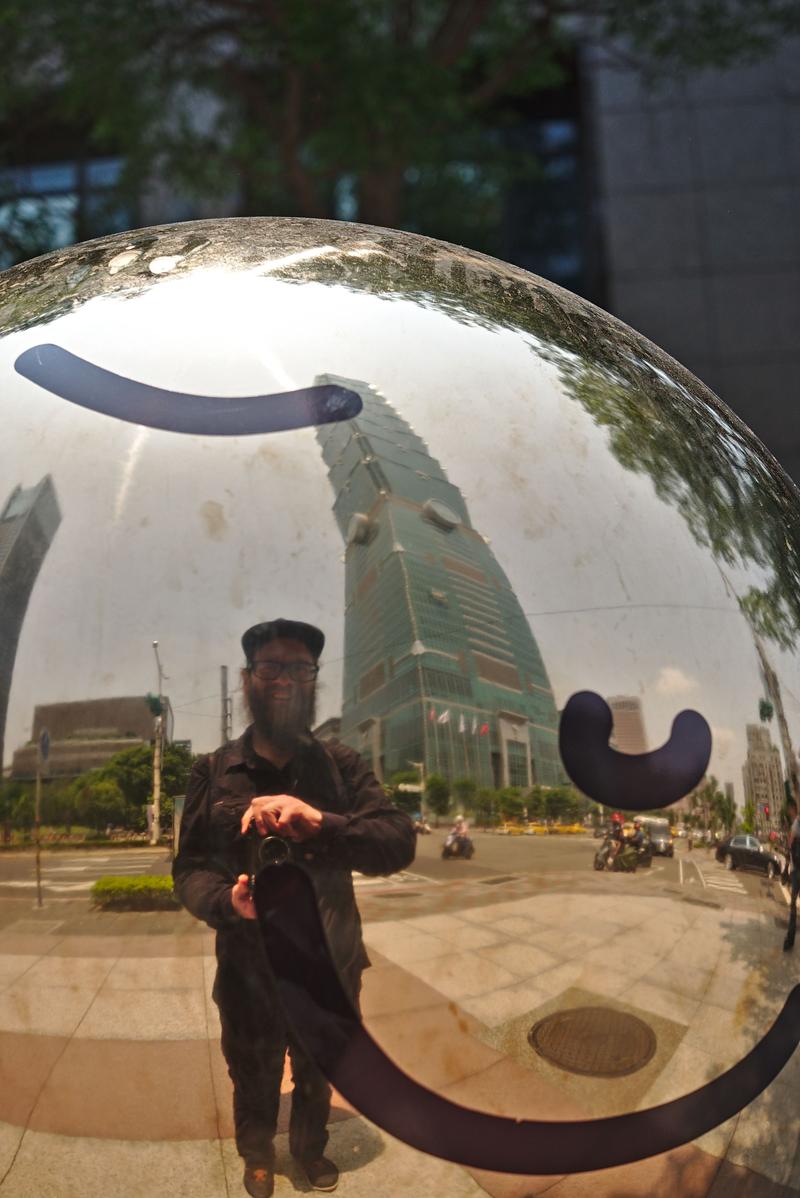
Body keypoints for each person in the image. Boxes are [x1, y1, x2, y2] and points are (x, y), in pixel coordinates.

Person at [173, 618, 416, 1197]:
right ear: (249, 678)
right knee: (251, 1073)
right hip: (248, 967)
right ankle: (257, 1155)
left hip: (329, 966)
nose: (284, 678)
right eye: (271, 667)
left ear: (314, 680)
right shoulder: (213, 770)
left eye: (299, 668)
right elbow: (188, 870)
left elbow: (397, 841)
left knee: (318, 1072)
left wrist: (321, 822)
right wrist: (227, 903)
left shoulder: (339, 765)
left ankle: (309, 1151)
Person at [783, 796, 800, 951]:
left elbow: (789, 848)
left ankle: (790, 940)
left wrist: (786, 869)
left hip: (797, 872)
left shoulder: (795, 825)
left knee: (793, 905)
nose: (788, 812)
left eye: (789, 810)